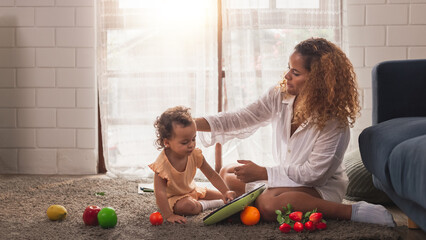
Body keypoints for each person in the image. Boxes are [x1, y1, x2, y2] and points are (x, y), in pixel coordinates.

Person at [195, 37, 395, 227]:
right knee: (227, 173)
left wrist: (264, 172)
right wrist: (192, 124)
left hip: (319, 187)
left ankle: (349, 211)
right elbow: (242, 117)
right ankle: (267, 196)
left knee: (267, 205)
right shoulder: (281, 95)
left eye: (296, 73)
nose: (287, 76)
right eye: (288, 69)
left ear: (318, 81)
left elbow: (314, 175)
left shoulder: (334, 122)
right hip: (289, 177)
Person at [149, 106, 236, 224]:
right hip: (174, 199)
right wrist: (169, 215)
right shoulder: (162, 165)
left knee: (228, 196)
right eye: (185, 142)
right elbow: (160, 193)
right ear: (167, 142)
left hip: (193, 191)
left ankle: (223, 201)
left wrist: (225, 191)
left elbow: (211, 175)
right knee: (190, 206)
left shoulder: (195, 154)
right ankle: (207, 205)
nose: (191, 145)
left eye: (193, 139)